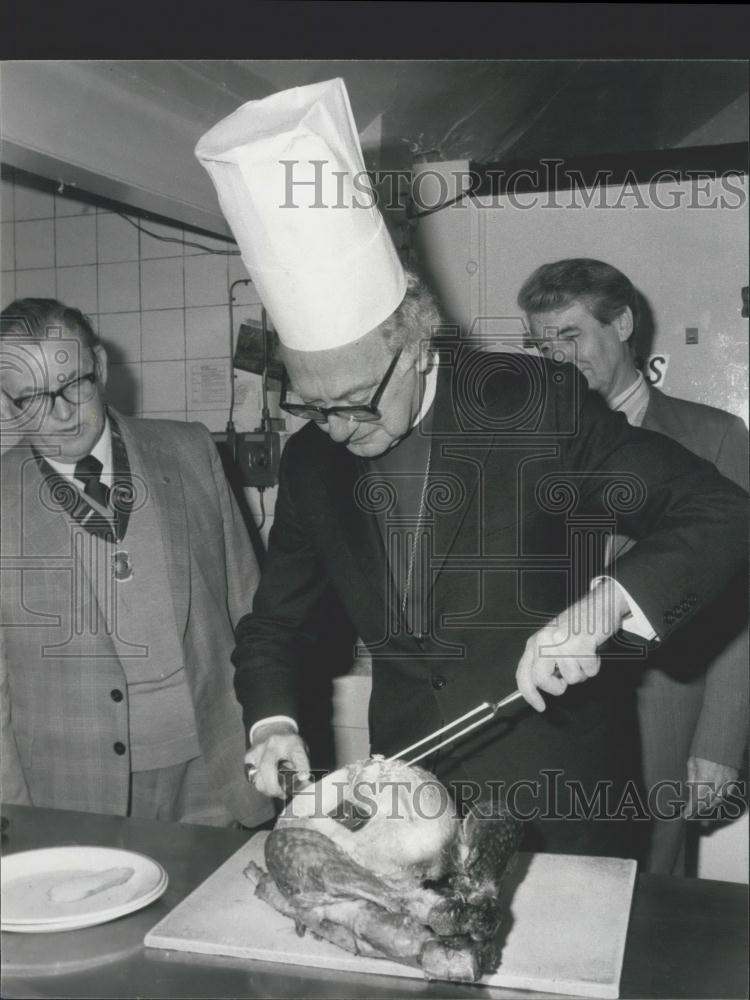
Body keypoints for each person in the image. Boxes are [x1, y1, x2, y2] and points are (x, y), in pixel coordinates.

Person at [195, 78, 747, 856]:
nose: (340, 429)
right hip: (410, 809)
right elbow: (277, 626)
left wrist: (606, 605)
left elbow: (720, 514)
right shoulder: (316, 461)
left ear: (417, 346)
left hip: (559, 799)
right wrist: (275, 720)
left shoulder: (533, 404)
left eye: (356, 400)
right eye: (316, 407)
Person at [0, 298, 275, 829]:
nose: (58, 414)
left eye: (72, 385)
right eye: (31, 398)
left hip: (216, 763)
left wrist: (270, 727)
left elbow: (250, 609)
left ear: (100, 368)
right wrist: (12, 817)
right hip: (73, 790)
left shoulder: (191, 450)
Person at [517, 258, 749, 873]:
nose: (556, 359)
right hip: (552, 714)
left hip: (661, 716)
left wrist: (720, 744)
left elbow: (744, 606)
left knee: (648, 904)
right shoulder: (532, 443)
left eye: (569, 336)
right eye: (542, 345)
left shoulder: (716, 435)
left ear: (621, 323)